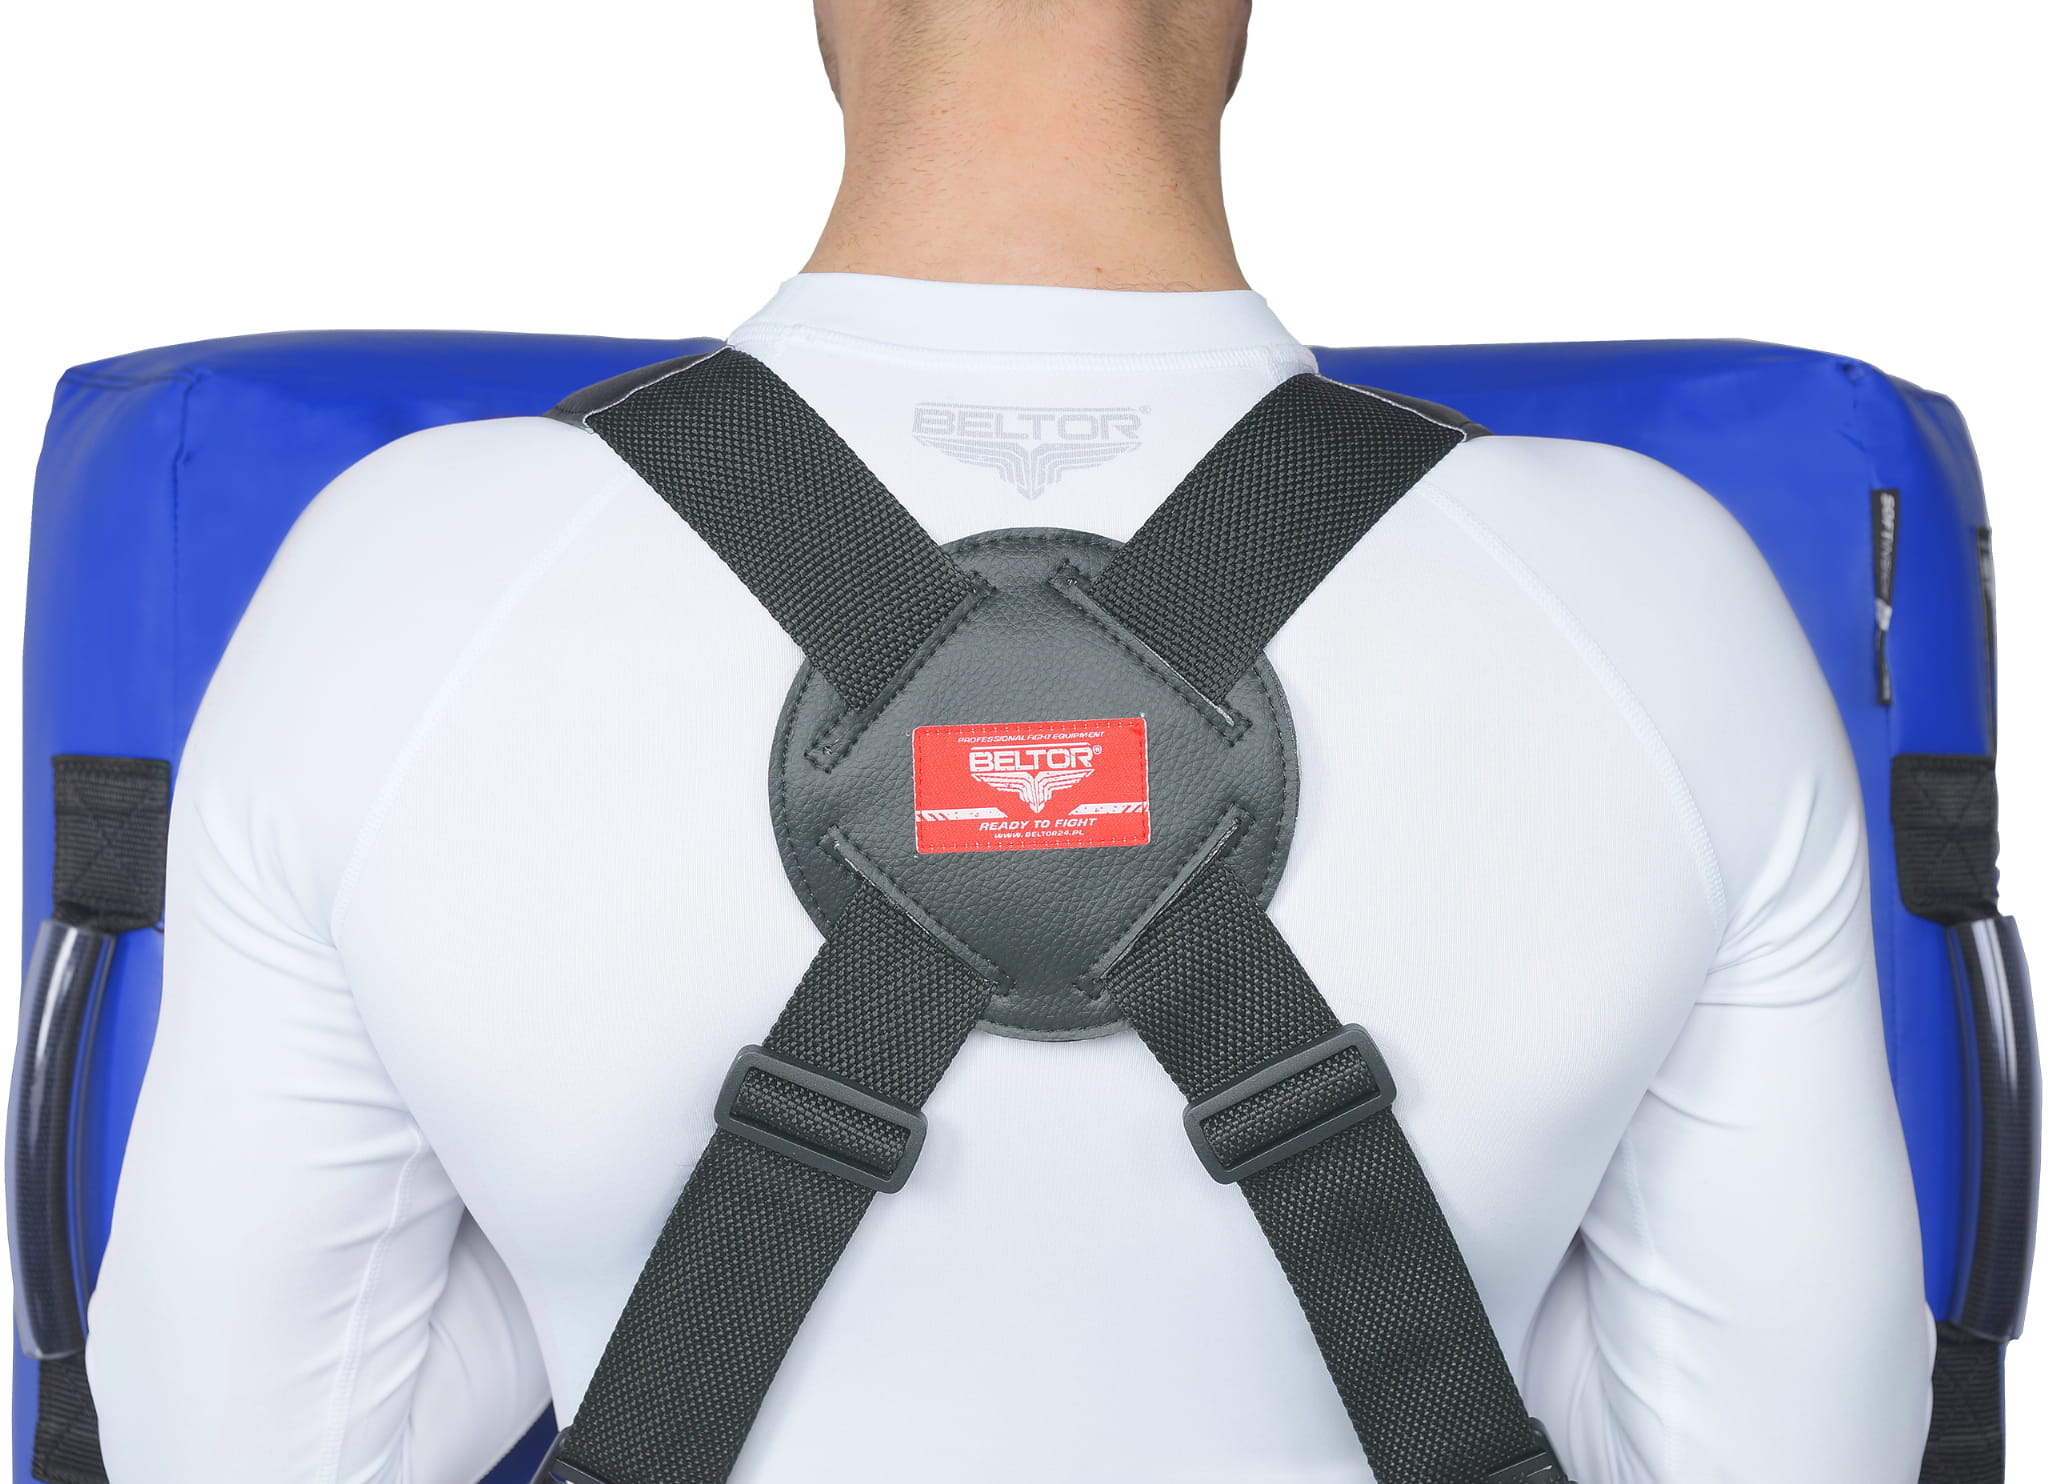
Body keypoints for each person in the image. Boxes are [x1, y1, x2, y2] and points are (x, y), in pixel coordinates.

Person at [83, 2, 1935, 1480]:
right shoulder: (1655, 594)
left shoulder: (403, 577)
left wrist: (566, 1208)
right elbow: (1782, 1453)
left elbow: (240, 1454)